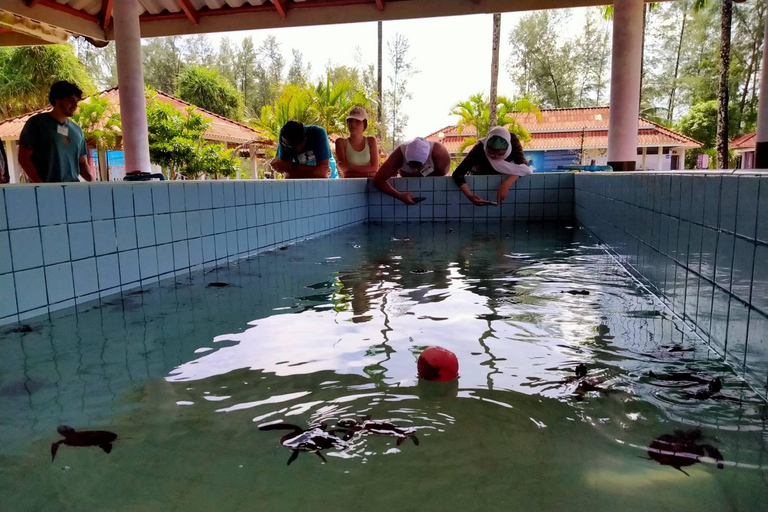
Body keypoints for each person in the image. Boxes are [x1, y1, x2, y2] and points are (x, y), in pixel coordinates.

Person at [18, 81, 93, 183]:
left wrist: (93, 183)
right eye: (70, 99)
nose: (75, 105)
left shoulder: (77, 130)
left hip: (73, 190)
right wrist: (40, 184)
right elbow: (23, 157)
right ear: (57, 99)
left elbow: (82, 163)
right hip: (46, 191)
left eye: (77, 101)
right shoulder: (37, 123)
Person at [452, 126, 533, 206]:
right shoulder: (480, 148)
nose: (495, 157)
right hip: (482, 177)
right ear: (486, 146)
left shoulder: (512, 141)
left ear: (508, 150)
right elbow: (458, 174)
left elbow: (523, 167)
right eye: (490, 153)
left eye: (500, 154)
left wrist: (506, 184)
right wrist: (470, 196)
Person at [373, 137, 451, 205]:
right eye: (411, 165)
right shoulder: (399, 155)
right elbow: (378, 180)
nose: (414, 170)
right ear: (405, 158)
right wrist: (399, 196)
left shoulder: (439, 152)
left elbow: (442, 173)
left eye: (418, 166)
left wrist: (421, 173)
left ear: (427, 158)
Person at [334, 106, 379, 178]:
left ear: (364, 124)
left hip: (369, 185)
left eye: (357, 121)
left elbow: (375, 167)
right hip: (349, 185)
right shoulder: (341, 142)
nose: (353, 124)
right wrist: (369, 173)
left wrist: (350, 168)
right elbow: (344, 171)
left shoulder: (371, 141)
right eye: (350, 121)